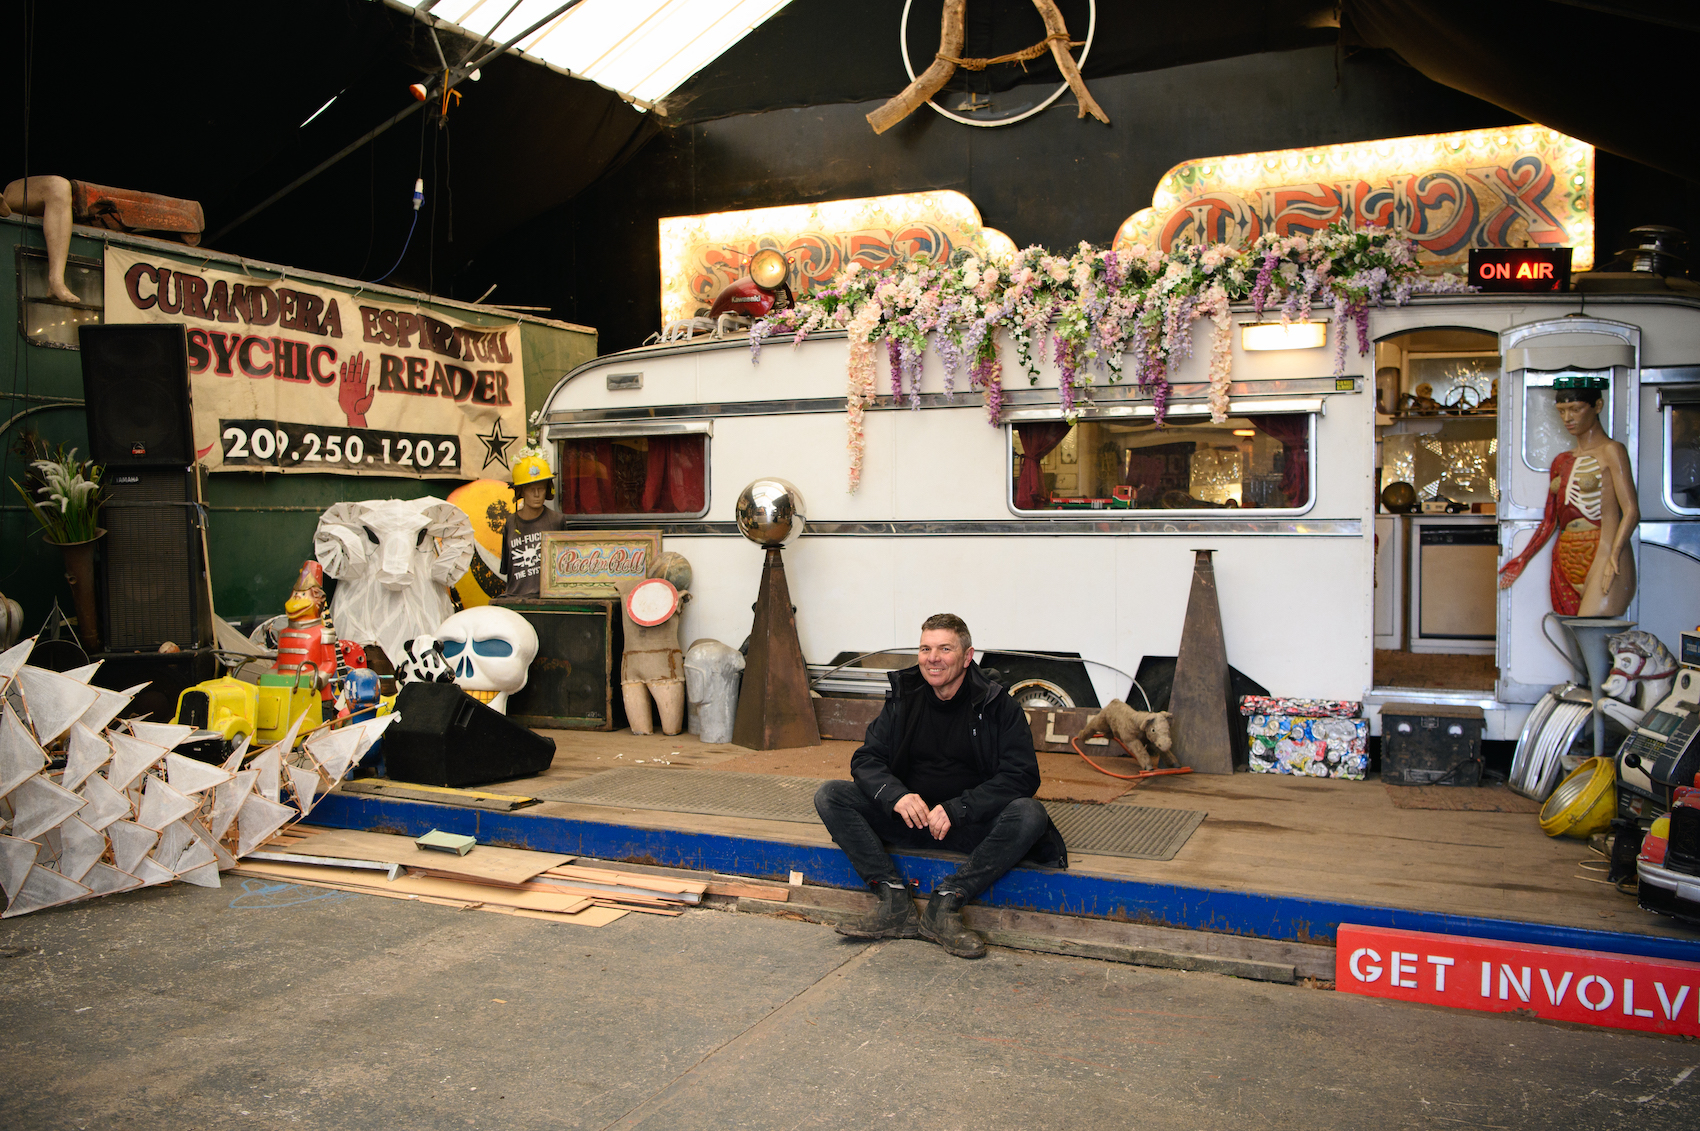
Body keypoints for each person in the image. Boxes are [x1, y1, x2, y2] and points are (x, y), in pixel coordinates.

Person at [814, 613, 1067, 958]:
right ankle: (892, 901)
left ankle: (946, 904)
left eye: (944, 648)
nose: (933, 658)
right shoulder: (906, 699)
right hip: (911, 820)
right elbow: (867, 759)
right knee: (831, 795)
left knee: (1029, 814)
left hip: (970, 826)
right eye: (925, 648)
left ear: (967, 656)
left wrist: (958, 808)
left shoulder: (997, 704)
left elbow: (1021, 775)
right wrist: (896, 796)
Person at [1498, 376, 1638, 616]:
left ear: (1598, 406)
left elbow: (1632, 511)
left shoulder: (1611, 451)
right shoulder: (1563, 461)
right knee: (1575, 638)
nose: (1567, 418)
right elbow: (1550, 520)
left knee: (1592, 633)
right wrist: (1523, 557)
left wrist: (1614, 554)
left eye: (1575, 409)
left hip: (1603, 552)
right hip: (1566, 555)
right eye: (1561, 411)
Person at [498, 451, 567, 598]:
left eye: (540, 488)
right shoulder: (510, 523)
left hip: (548, 599)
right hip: (515, 597)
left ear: (547, 490)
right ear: (521, 491)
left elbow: (564, 568)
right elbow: (507, 569)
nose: (536, 494)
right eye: (531, 489)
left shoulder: (557, 521)